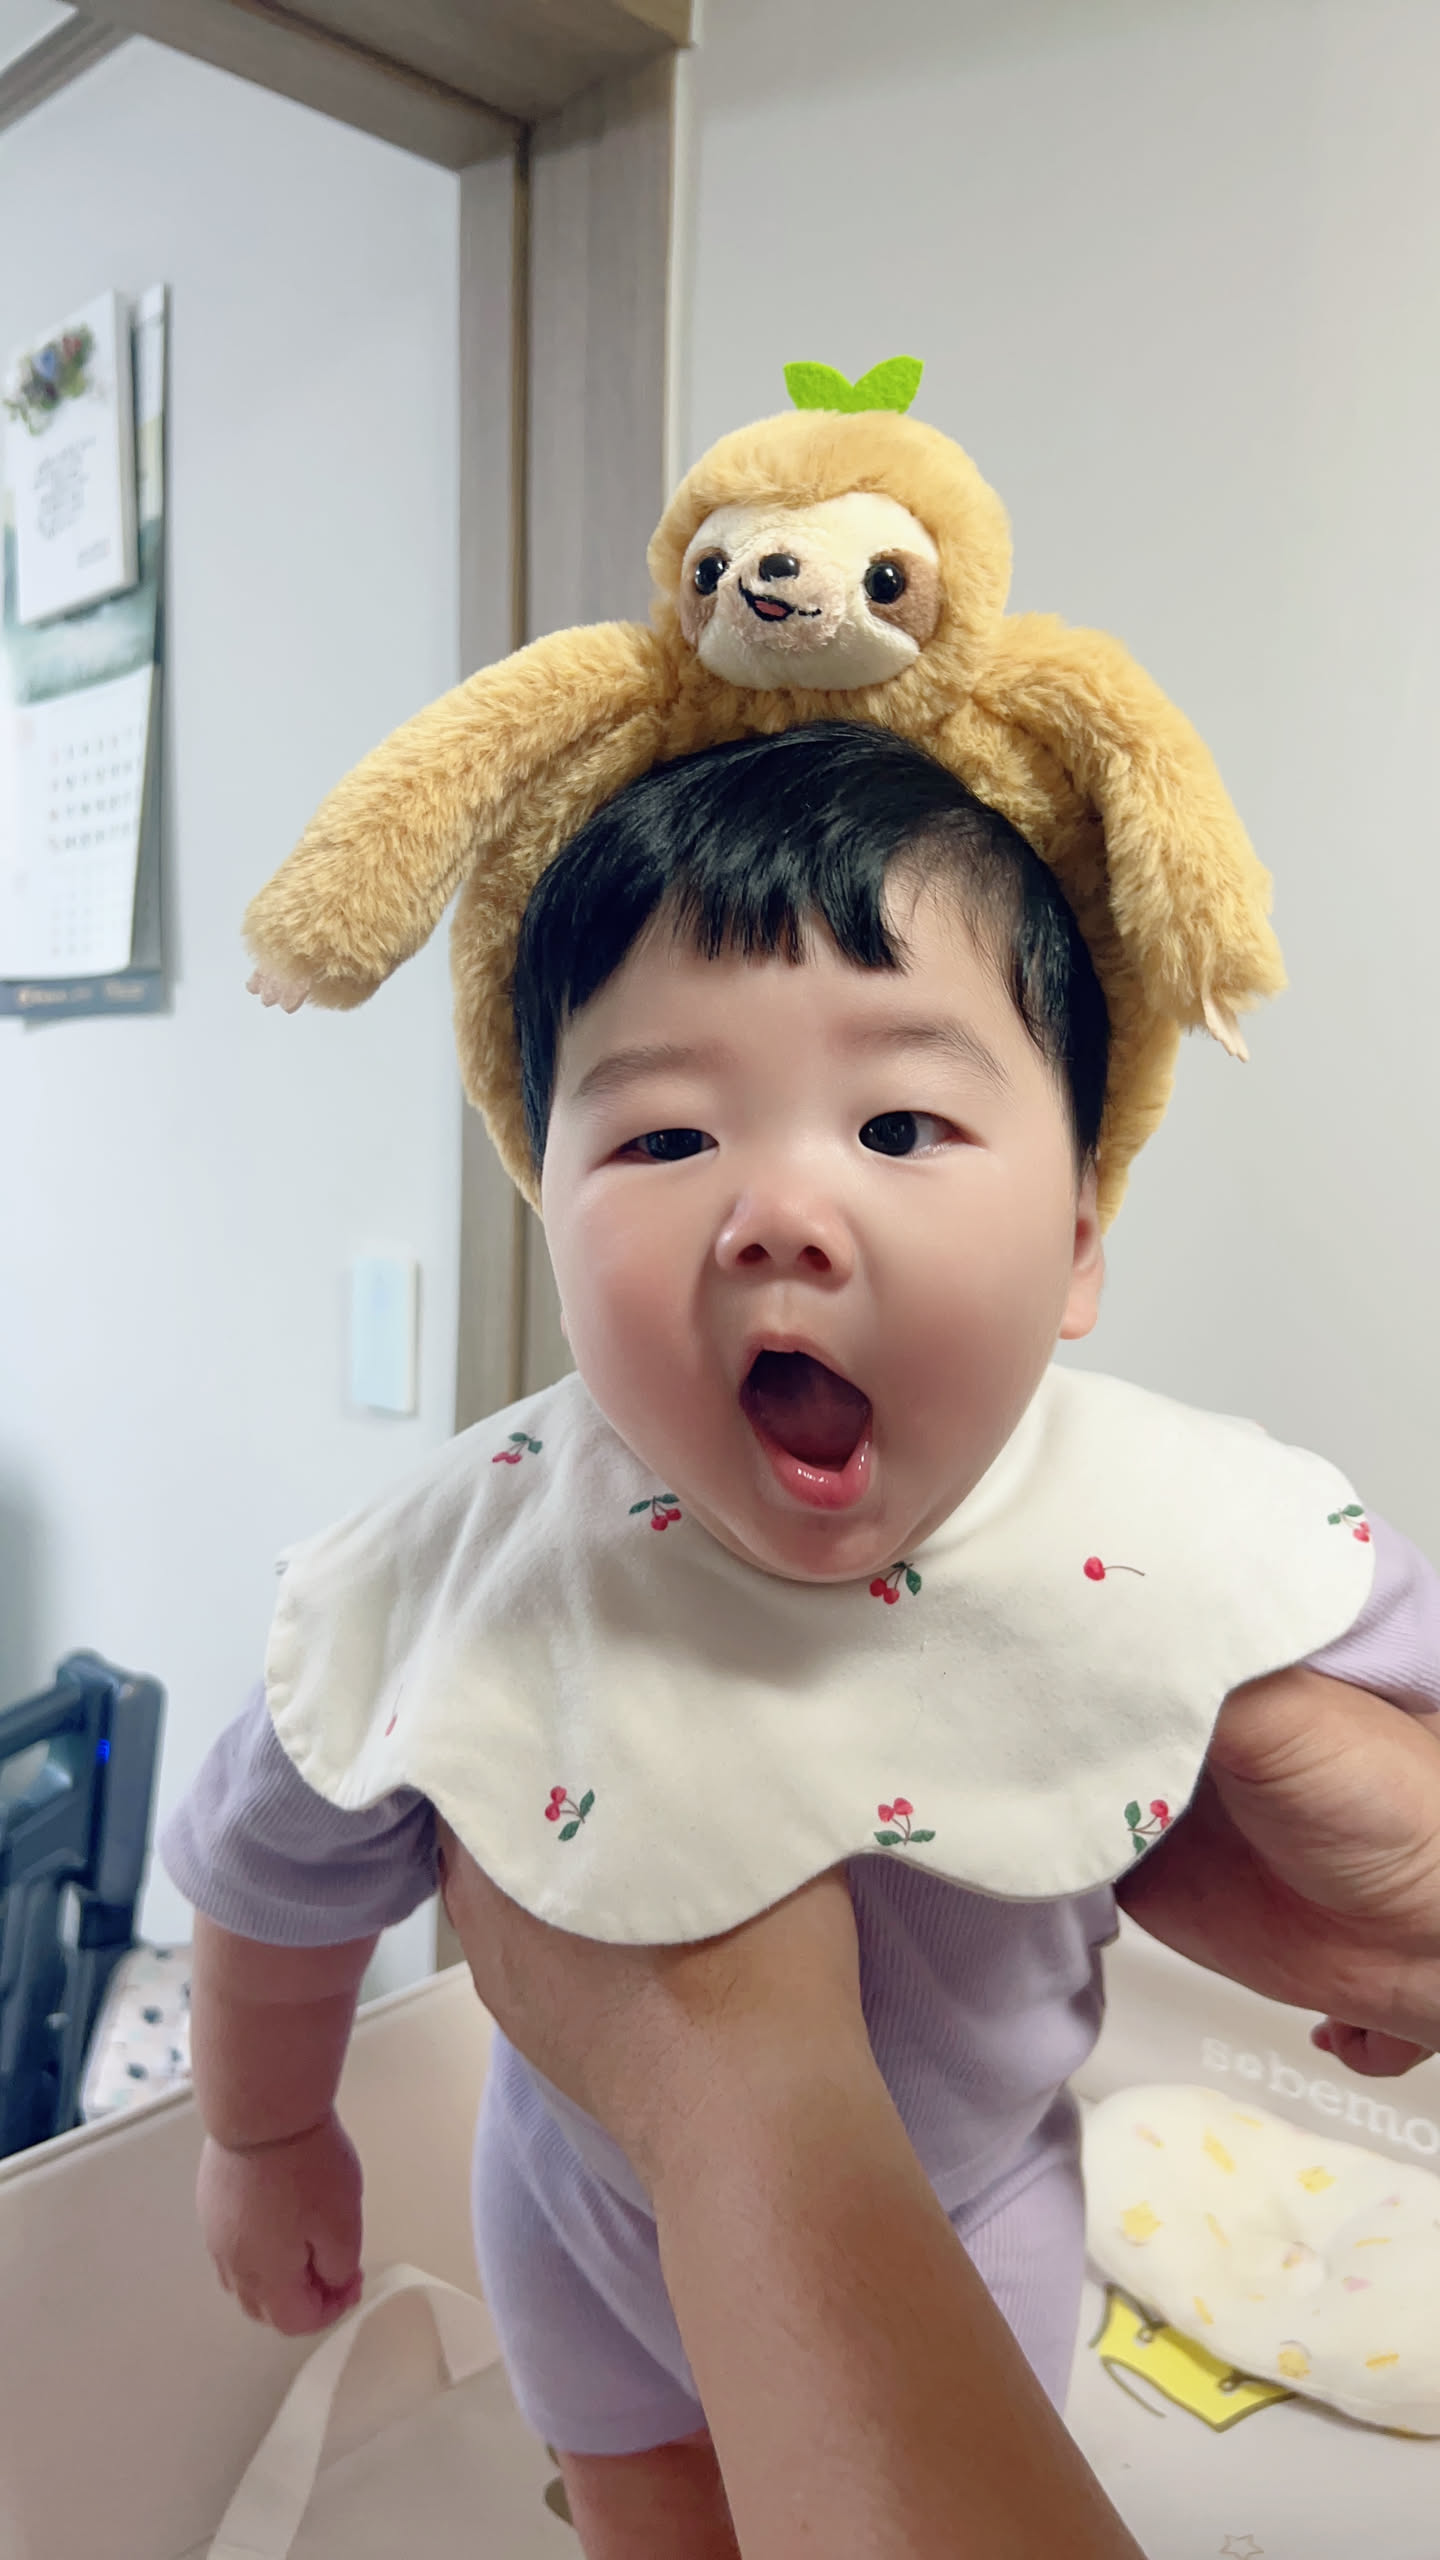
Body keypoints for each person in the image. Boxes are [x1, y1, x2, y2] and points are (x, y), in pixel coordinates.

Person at [167, 724, 1440, 2558]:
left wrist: (1405, 1945)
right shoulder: (485, 1555)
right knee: (647, 2515)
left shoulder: (1172, 1520)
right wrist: (266, 2134)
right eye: (665, 1136)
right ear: (550, 1213)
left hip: (971, 2208)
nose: (776, 1213)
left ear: (1081, 1239)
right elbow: (271, 1863)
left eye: (901, 1126)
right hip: (581, 2218)